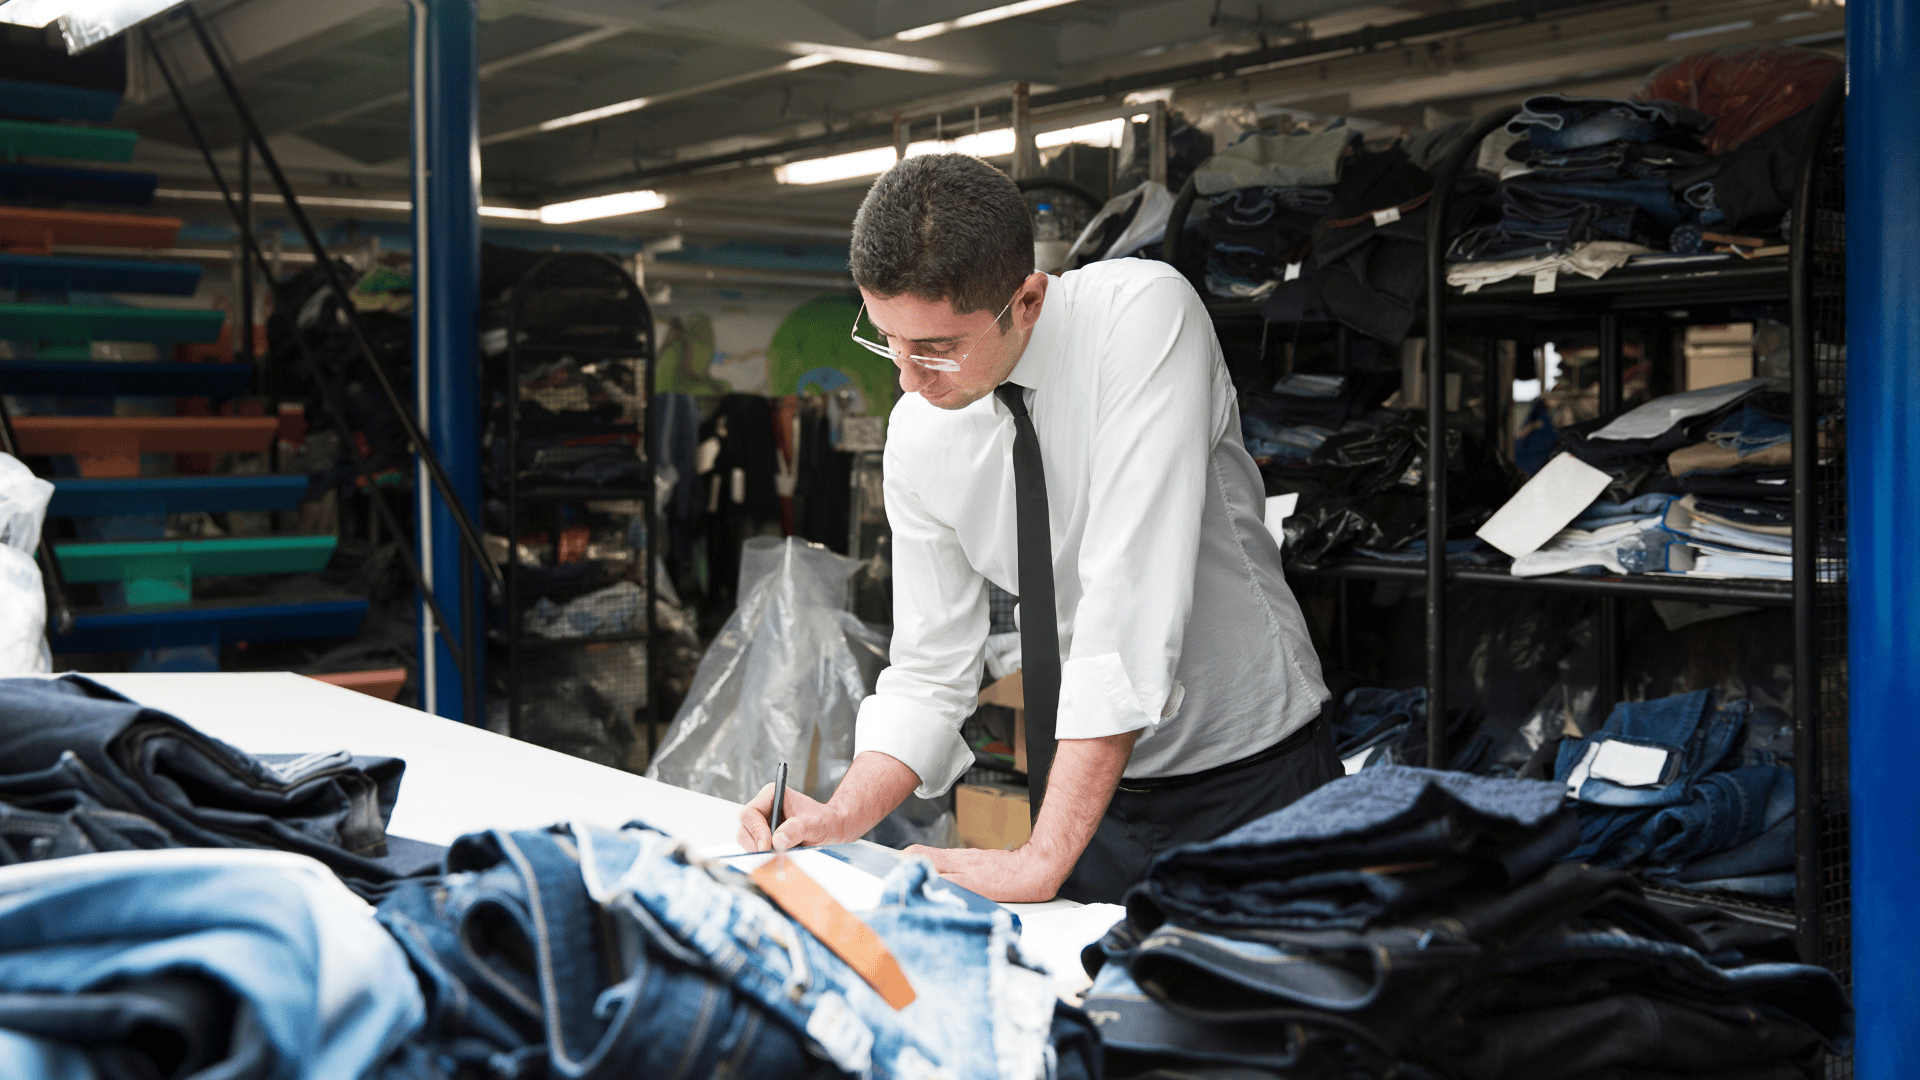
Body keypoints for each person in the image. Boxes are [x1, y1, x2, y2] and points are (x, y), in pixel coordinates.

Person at [737, 153, 1336, 904]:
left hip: (1251, 774)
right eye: (887, 337)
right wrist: (840, 815)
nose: (907, 379)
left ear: (1026, 301)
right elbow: (929, 670)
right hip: (1086, 798)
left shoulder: (1143, 318)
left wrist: (1038, 857)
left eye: (936, 347)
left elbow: (1128, 609)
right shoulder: (921, 428)